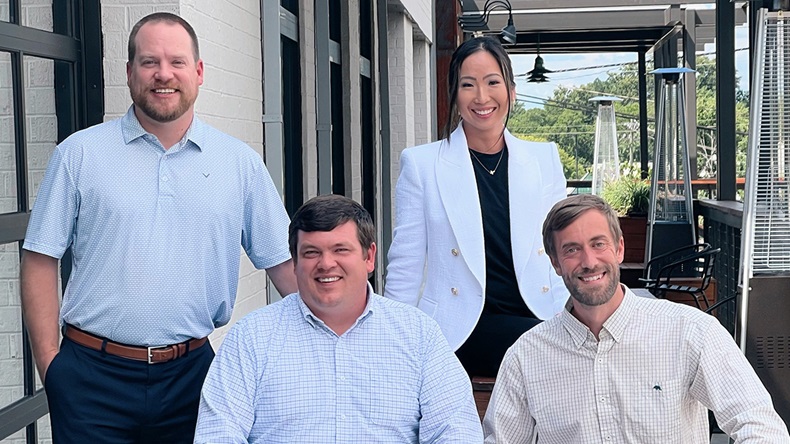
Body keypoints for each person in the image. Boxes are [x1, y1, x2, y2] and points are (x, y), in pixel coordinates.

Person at [19, 12, 297, 443]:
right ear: (129, 72)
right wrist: (51, 365)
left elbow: (284, 266)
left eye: (176, 62)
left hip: (194, 378)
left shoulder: (238, 163)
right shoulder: (79, 155)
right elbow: (39, 258)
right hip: (90, 377)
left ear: (199, 72)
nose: (163, 74)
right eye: (149, 62)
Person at [483, 194, 790, 443]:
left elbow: (760, 426)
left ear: (619, 249)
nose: (589, 262)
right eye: (572, 249)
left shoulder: (689, 331)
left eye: (598, 244)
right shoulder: (527, 357)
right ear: (556, 263)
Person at [194, 194, 483, 443]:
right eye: (311, 253)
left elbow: (455, 431)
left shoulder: (419, 335)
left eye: (340, 250)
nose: (326, 264)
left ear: (369, 257)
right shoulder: (250, 338)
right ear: (294, 263)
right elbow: (219, 434)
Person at [385, 36, 568, 377]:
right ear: (454, 96)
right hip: (461, 327)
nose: (482, 97)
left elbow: (562, 253)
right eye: (468, 85)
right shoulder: (422, 165)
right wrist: (391, 339)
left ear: (511, 91)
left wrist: (570, 314)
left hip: (539, 314)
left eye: (492, 82)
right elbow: (406, 262)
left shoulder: (543, 159)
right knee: (551, 352)